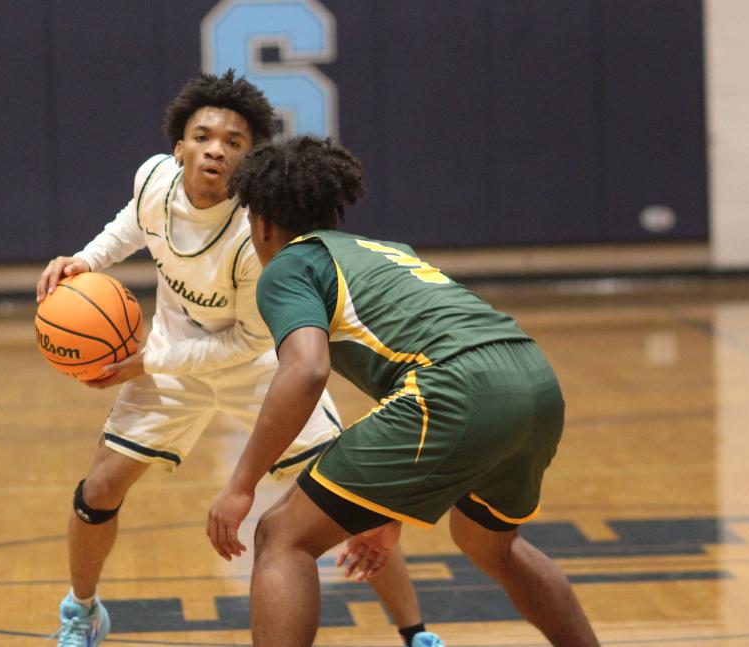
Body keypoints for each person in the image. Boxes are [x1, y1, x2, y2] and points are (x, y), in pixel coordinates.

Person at [37, 72, 435, 647]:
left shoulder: (257, 236)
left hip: (257, 372)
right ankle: (82, 611)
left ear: (249, 160)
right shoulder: (154, 178)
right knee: (98, 490)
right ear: (180, 147)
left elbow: (245, 344)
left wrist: (150, 361)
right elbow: (134, 223)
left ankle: (417, 633)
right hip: (173, 364)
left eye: (234, 142)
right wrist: (86, 260)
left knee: (354, 500)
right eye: (203, 136)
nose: (215, 149)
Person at [206, 136, 601, 647]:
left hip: (455, 386)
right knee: (490, 546)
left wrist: (241, 485)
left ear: (260, 223)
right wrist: (386, 507)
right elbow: (414, 367)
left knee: (282, 536)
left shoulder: (289, 266)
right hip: (533, 379)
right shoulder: (385, 251)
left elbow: (305, 371)